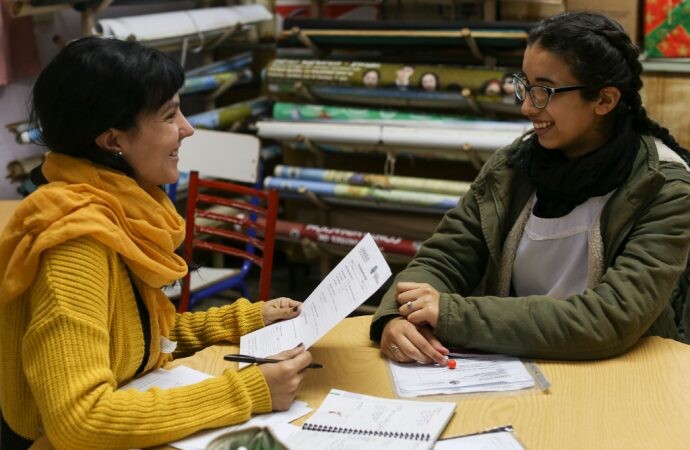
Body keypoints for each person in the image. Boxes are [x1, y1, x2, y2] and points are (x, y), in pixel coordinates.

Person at [0, 37, 313, 450]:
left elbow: (141, 337)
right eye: (170, 115)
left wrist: (251, 319)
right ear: (113, 141)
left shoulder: (121, 210)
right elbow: (80, 421)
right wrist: (249, 392)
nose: (188, 128)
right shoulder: (76, 244)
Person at [370, 11, 690, 364]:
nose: (526, 106)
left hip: (623, 381)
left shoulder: (664, 189)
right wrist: (397, 319)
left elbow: (610, 318)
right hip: (517, 375)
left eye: (544, 91)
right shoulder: (513, 168)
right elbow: (443, 259)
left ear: (604, 100)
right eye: (525, 85)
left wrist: (451, 315)